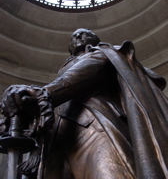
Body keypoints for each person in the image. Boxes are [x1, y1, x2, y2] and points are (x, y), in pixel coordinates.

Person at [0, 28, 168, 179]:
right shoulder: (66, 68)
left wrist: (40, 94)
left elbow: (89, 69)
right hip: (58, 140)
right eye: (74, 36)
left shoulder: (105, 52)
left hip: (94, 127)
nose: (79, 36)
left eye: (85, 33)